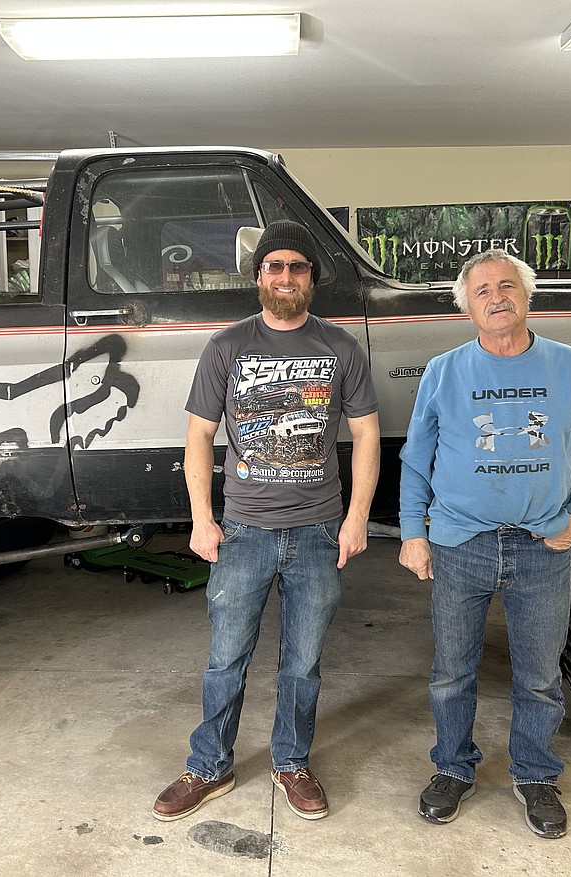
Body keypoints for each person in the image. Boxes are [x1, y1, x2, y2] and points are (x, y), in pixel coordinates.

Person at [153, 219, 380, 822]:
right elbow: (199, 436)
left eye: (297, 266)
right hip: (245, 530)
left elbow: (365, 434)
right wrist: (202, 518)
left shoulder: (340, 348)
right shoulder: (227, 347)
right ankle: (209, 766)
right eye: (274, 266)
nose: (285, 276)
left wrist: (357, 518)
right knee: (226, 657)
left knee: (302, 661)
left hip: (317, 530)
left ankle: (291, 761)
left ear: (312, 277)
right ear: (258, 276)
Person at [398, 248, 571, 839]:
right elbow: (416, 460)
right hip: (458, 544)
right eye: (482, 291)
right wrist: (412, 534)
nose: (496, 298)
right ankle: (452, 767)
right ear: (467, 307)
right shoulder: (444, 372)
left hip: (542, 547)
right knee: (451, 673)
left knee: (541, 676)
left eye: (506, 286)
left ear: (526, 295)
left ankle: (536, 774)